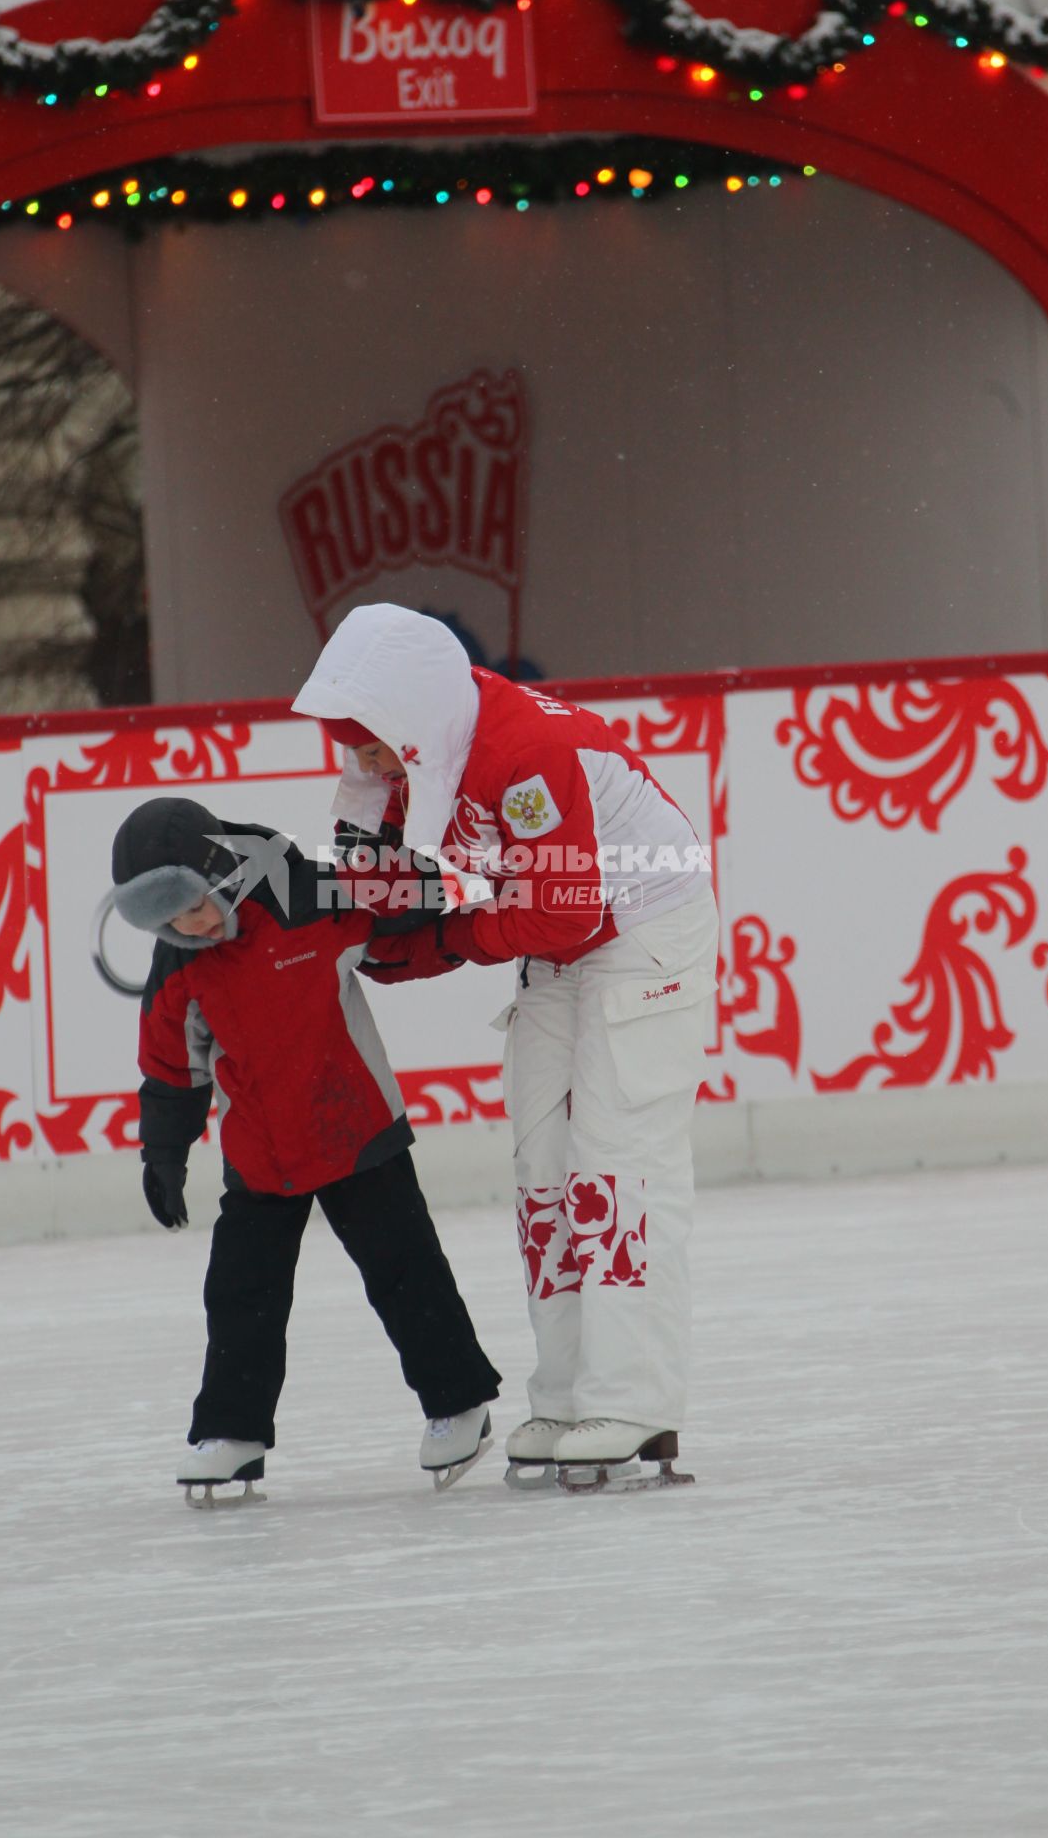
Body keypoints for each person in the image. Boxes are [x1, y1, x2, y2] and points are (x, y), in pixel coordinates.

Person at [292, 604, 719, 1491]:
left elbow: (564, 907)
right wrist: (365, 924)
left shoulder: (522, 753)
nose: (363, 762)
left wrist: (439, 940)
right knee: (544, 1168)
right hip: (558, 942)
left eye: (371, 745)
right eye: (354, 746)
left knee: (615, 1164)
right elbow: (367, 872)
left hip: (642, 932)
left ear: (411, 716)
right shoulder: (405, 753)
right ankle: (566, 1396)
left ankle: (633, 1400)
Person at [109, 794, 500, 1500]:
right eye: (163, 917)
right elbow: (171, 1066)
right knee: (240, 1296)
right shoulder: (181, 961)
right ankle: (232, 1432)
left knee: (405, 1272)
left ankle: (458, 1402)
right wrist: (163, 1155)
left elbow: (403, 905)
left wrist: (416, 876)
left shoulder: (299, 892)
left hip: (355, 1132)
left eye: (190, 904)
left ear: (219, 871)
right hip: (260, 1156)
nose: (185, 925)